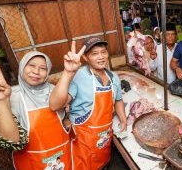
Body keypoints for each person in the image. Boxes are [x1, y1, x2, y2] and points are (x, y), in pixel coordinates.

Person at [49, 37, 127, 170]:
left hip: (104, 135)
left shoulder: (113, 77)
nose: (101, 57)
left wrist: (123, 118)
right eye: (94, 53)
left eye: (103, 52)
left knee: (104, 162)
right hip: (83, 137)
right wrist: (68, 73)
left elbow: (118, 100)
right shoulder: (78, 76)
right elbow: (55, 105)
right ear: (85, 58)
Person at [0, 51, 71, 169]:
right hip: (31, 161)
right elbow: (11, 140)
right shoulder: (11, 95)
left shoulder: (55, 90)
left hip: (62, 154)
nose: (36, 72)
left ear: (47, 72)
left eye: (43, 68)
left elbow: (64, 113)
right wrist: (2, 101)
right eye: (31, 65)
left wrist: (67, 119)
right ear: (22, 67)